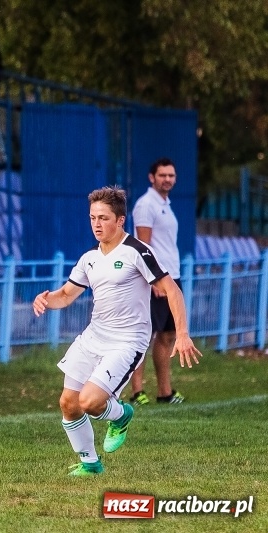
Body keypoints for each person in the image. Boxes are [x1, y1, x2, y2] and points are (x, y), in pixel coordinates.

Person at [32, 186, 201, 476]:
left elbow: (171, 289)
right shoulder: (89, 258)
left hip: (127, 342)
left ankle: (121, 414)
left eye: (104, 218)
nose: (97, 224)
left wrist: (182, 333)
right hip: (94, 337)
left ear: (120, 220)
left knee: (89, 402)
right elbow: (66, 295)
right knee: (69, 403)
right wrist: (46, 300)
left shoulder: (137, 251)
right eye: (92, 218)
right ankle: (90, 464)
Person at [128, 158, 185, 405]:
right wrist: (152, 280)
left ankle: (165, 392)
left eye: (171, 175)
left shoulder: (166, 205)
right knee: (144, 334)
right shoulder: (146, 205)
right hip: (156, 279)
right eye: (162, 175)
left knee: (168, 334)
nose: (167, 179)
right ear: (152, 177)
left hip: (172, 276)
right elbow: (143, 245)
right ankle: (137, 392)